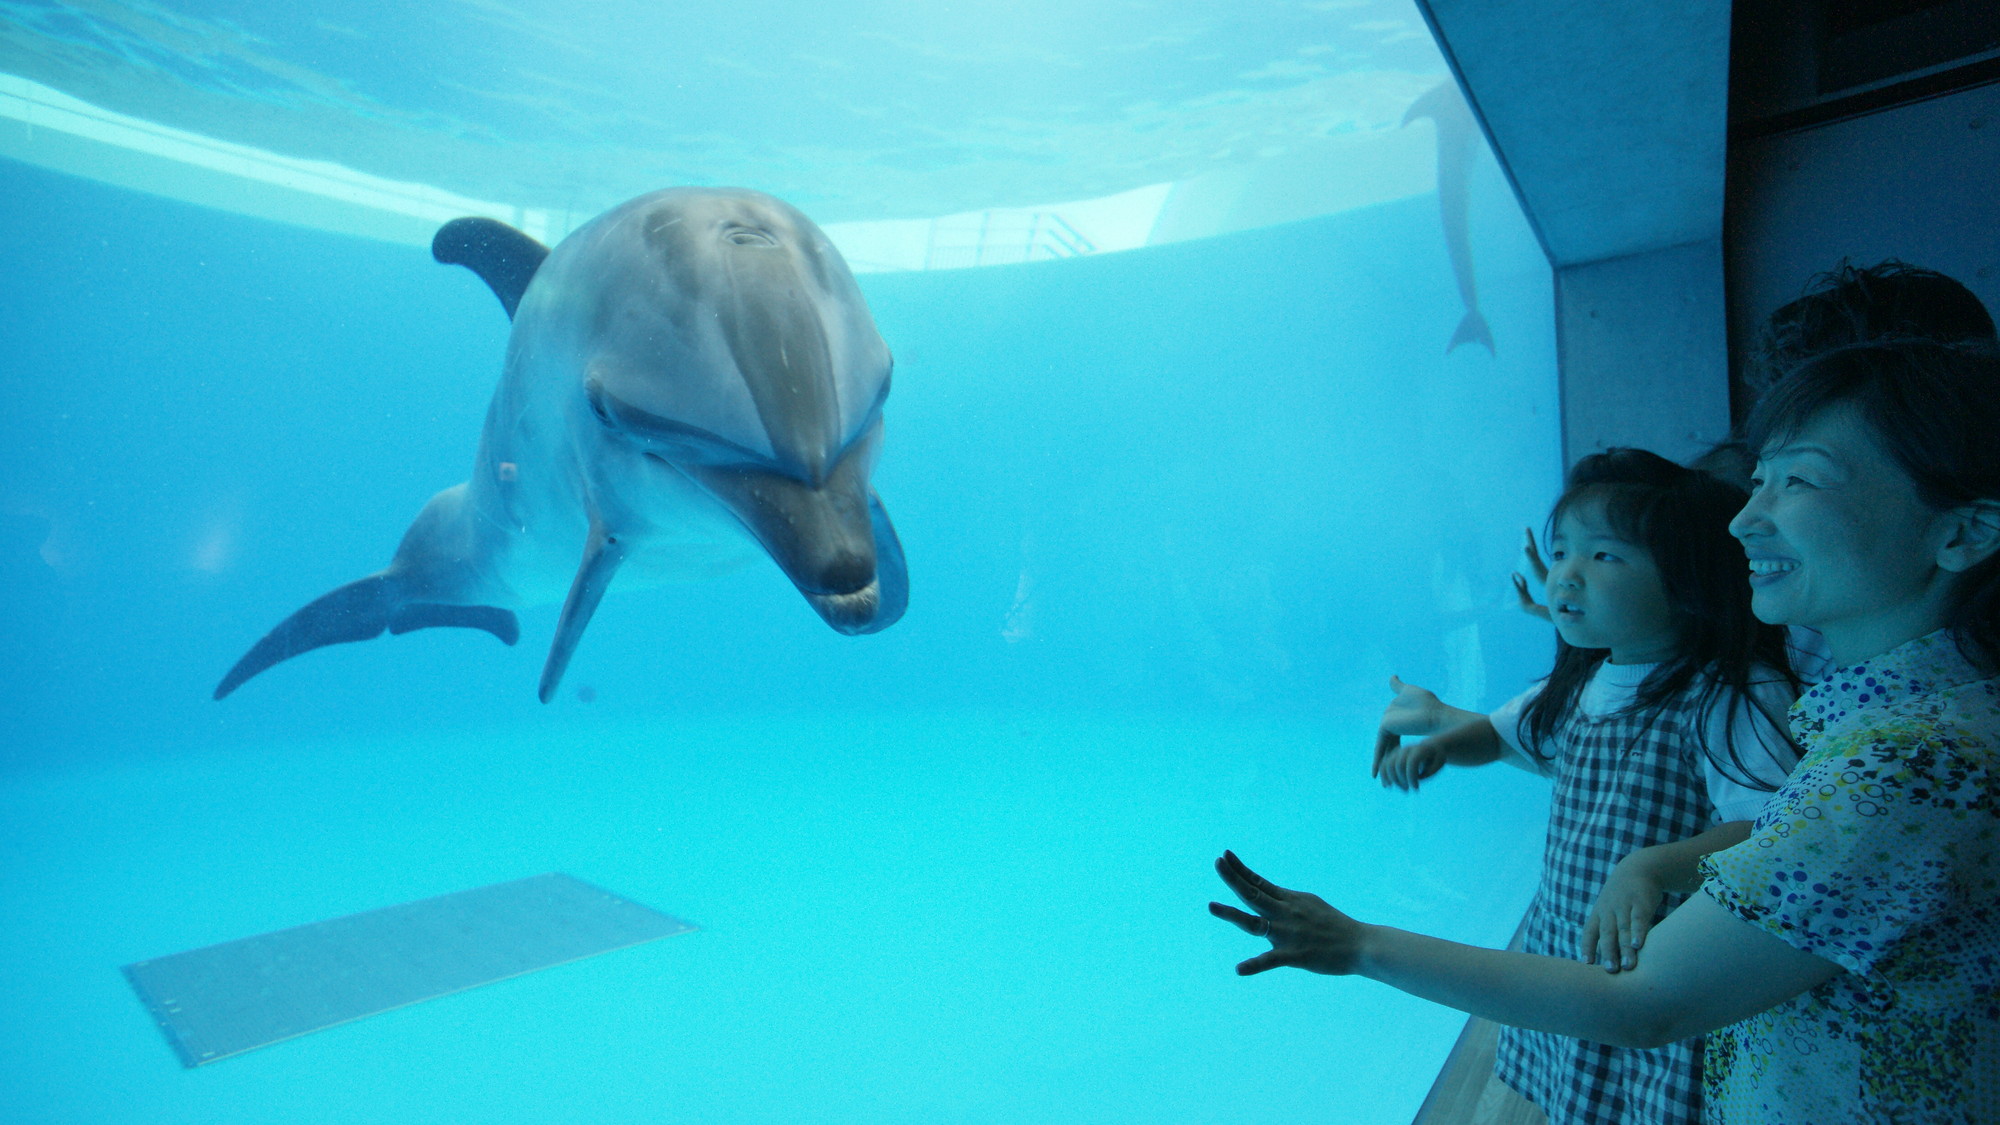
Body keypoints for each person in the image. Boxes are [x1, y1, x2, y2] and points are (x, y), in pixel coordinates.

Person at [1211, 339, 2000, 1124]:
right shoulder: (1895, 715)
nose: (1746, 520)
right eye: (1759, 481)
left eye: (1801, 481)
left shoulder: (1906, 769)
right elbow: (1537, 740)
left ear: (1963, 531)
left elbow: (1648, 1001)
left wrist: (1359, 944)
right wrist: (1451, 727)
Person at [1373, 448, 1799, 1125]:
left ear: (1688, 577)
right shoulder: (1581, 680)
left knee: (1661, 1096)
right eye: (1563, 549)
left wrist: (1652, 865)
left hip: (1666, 960)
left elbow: (1773, 830)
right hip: (1573, 945)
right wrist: (1447, 745)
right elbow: (1506, 733)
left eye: (1605, 556)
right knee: (1587, 1092)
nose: (1566, 573)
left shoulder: (1727, 693)